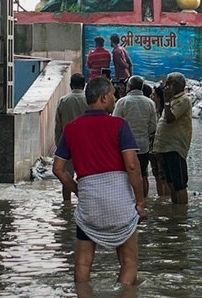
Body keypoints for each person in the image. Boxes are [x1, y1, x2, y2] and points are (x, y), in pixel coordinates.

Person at [53, 76, 146, 286]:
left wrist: (78, 191)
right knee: (129, 262)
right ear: (104, 98)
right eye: (113, 93)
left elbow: (58, 169)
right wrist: (140, 202)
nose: (115, 97)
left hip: (89, 204)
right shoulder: (119, 125)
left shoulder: (71, 129)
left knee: (83, 263)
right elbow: (132, 166)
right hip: (120, 204)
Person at [151, 72, 193, 204]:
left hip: (175, 148)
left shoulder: (183, 100)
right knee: (171, 183)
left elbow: (170, 119)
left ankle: (181, 216)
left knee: (179, 185)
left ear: (178, 85)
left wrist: (167, 101)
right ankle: (175, 213)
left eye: (169, 83)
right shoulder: (173, 99)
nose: (166, 86)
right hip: (165, 148)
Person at [111, 76, 156, 199]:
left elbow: (115, 124)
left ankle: (128, 200)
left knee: (125, 174)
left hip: (125, 147)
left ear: (129, 87)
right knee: (143, 174)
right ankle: (143, 201)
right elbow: (153, 127)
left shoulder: (122, 102)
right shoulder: (150, 103)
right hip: (143, 146)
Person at [54, 73, 88, 202]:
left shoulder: (64, 100)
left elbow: (58, 125)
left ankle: (67, 203)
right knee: (85, 174)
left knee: (66, 175)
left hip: (67, 143)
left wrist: (59, 144)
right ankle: (84, 200)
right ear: (84, 85)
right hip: (86, 144)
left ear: (70, 85)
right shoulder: (89, 100)